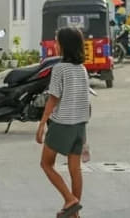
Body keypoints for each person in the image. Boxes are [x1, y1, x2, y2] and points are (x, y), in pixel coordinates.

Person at [36, 27, 89, 218]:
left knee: (46, 163)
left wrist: (42, 124)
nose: (56, 45)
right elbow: (85, 100)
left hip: (62, 124)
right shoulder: (82, 69)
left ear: (64, 46)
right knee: (75, 169)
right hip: (80, 126)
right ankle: (74, 215)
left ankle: (69, 199)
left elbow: (53, 98)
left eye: (57, 42)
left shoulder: (59, 69)